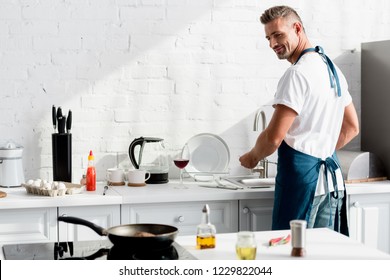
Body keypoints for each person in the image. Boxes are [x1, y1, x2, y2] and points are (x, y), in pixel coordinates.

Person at [239, 6, 359, 235]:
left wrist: (253, 156)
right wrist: (319, 151)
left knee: (290, 256)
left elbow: (274, 137)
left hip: (301, 186)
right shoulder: (332, 68)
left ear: (297, 28)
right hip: (331, 185)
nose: (272, 44)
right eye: (268, 38)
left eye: (278, 35)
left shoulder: (297, 74)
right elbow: (352, 128)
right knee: (323, 258)